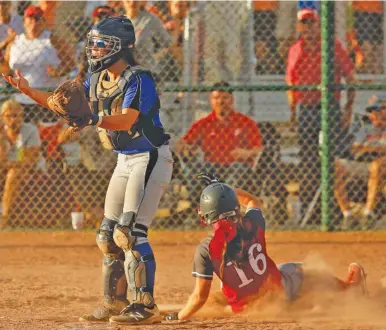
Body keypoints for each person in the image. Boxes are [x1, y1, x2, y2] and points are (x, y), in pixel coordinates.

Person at [3, 16, 173, 325]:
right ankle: (115, 302)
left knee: (130, 234)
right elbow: (62, 105)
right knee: (107, 236)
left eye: (100, 45)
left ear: (120, 47)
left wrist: (93, 119)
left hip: (150, 156)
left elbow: (127, 120)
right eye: (92, 44)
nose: (93, 50)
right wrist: (27, 91)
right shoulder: (95, 79)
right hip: (125, 158)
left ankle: (145, 306)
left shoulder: (139, 78)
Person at [164, 174, 368, 321]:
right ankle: (348, 290)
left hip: (242, 308)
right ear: (235, 206)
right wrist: (224, 189)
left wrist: (180, 316)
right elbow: (253, 200)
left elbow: (199, 297)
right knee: (301, 270)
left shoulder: (205, 248)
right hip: (279, 293)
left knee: (225, 280)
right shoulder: (253, 221)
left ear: (206, 215)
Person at [286, 8, 355, 219]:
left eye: (311, 23)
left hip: (329, 108)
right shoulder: (296, 49)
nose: (308, 28)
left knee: (331, 156)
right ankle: (312, 208)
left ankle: (333, 208)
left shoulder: (332, 46)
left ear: (319, 24)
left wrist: (348, 109)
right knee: (308, 158)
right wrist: (292, 113)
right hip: (306, 108)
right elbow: (291, 82)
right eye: (304, 24)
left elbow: (350, 77)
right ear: (299, 27)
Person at [335, 94, 386, 230]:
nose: (373, 114)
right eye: (371, 110)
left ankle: (367, 214)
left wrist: (369, 148)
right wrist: (378, 148)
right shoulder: (364, 127)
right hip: (361, 163)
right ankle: (347, 215)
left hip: (380, 165)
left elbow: (363, 148)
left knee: (378, 165)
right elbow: (355, 148)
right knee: (333, 167)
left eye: (378, 109)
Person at [0, 99, 45, 227]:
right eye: (9, 116)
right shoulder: (1, 132)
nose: (13, 120)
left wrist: (8, 163)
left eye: (16, 116)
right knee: (12, 171)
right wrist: (2, 141)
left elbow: (29, 160)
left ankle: (5, 217)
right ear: (3, 117)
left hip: (31, 169)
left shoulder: (30, 130)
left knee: (13, 173)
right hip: (8, 167)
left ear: (22, 116)